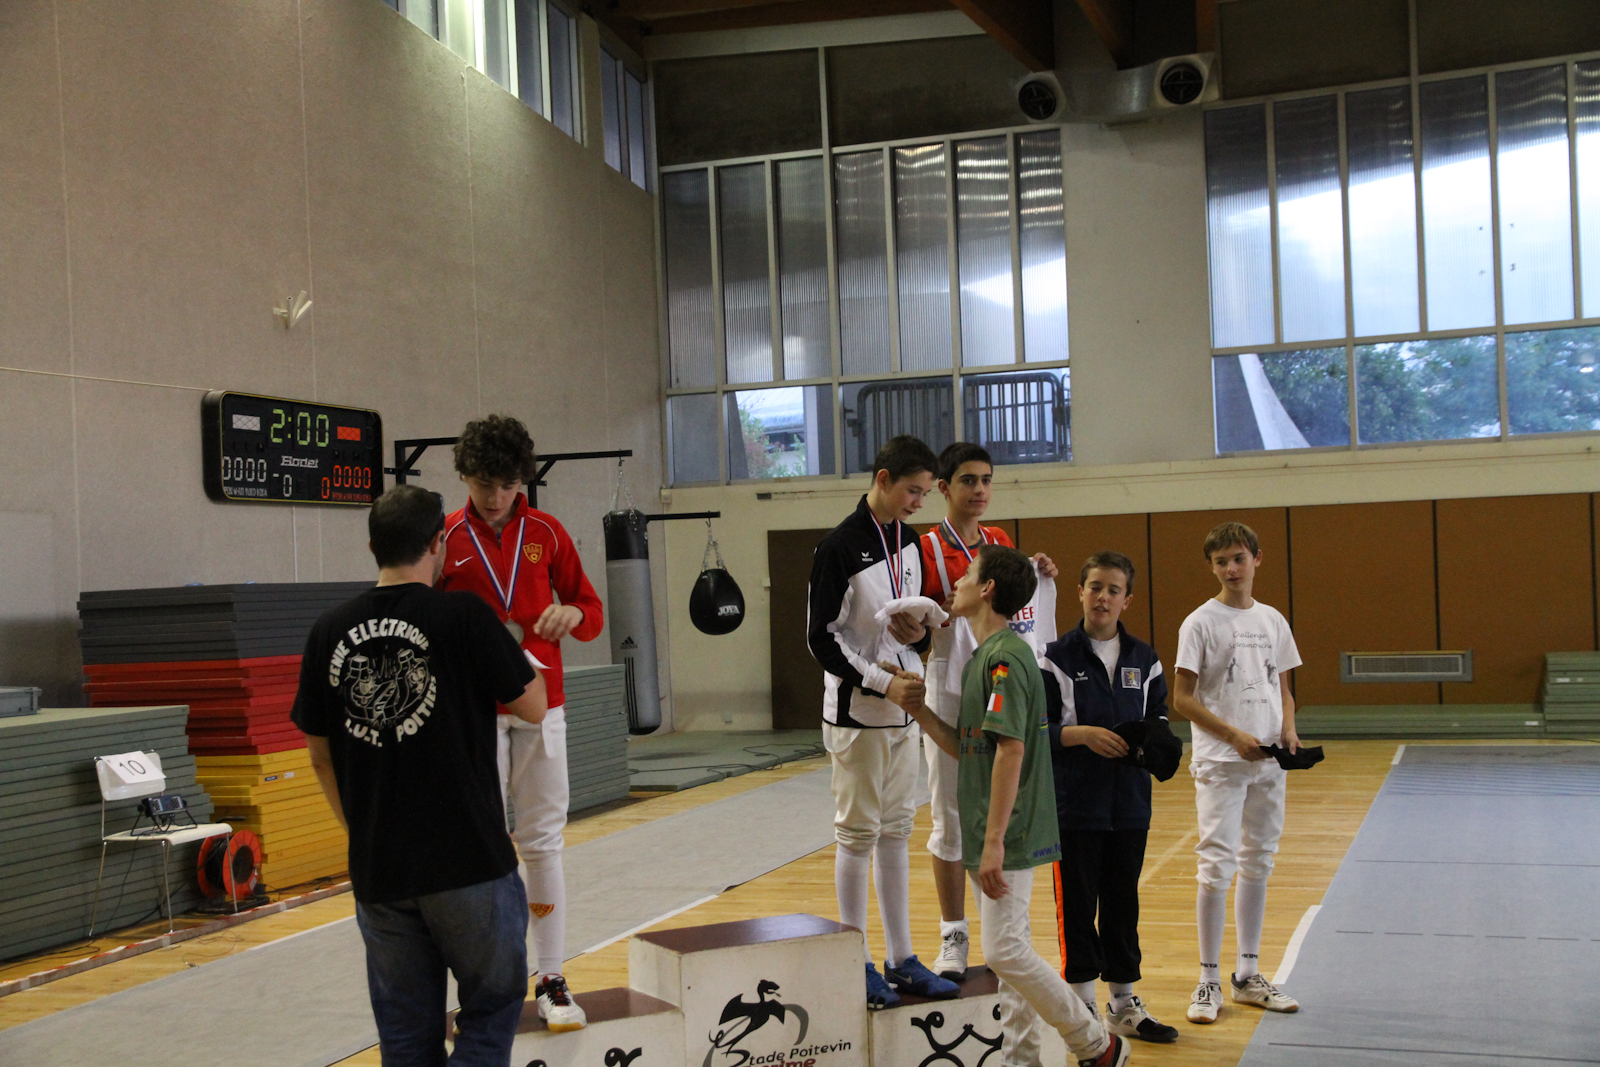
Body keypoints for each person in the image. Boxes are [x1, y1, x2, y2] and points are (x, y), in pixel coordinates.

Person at [293, 485, 549, 1066]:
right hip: (468, 859)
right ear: (439, 543)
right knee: (492, 1008)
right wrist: (524, 653)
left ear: (371, 547)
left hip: (381, 866)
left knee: (406, 1038)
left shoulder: (328, 630)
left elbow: (319, 755)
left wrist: (359, 829)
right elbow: (533, 706)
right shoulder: (464, 616)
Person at [889, 544, 1130, 1067]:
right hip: (986, 828)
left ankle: (1096, 1043)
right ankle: (1022, 1058)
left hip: (1010, 830)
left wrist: (996, 841)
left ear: (987, 588)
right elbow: (968, 748)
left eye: (967, 575)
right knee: (1010, 952)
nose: (956, 584)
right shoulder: (981, 657)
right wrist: (920, 711)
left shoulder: (1007, 659)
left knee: (1004, 950)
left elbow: (1011, 751)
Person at [437, 414, 604, 1033]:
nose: (496, 497)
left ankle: (552, 977)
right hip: (473, 712)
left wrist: (571, 615)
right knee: (475, 847)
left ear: (522, 482)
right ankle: (480, 984)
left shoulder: (548, 532)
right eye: (484, 484)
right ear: (464, 476)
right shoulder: (445, 536)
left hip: (542, 705)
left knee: (543, 843)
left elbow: (591, 610)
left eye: (508, 485)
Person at [806, 434, 959, 1009]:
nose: (919, 502)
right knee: (858, 834)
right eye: (912, 491)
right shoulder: (838, 547)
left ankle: (902, 959)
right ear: (884, 479)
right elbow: (821, 639)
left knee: (897, 831)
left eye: (924, 494)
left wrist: (917, 639)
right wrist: (880, 680)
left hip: (905, 710)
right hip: (858, 713)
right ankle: (857, 961)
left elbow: (907, 628)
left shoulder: (910, 541)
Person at [918, 442, 1059, 980]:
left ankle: (1002, 932)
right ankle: (953, 934)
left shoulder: (1000, 542)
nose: (980, 490)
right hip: (950, 681)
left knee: (996, 800)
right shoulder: (925, 549)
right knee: (948, 815)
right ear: (944, 488)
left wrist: (1039, 572)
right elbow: (911, 623)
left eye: (986, 480)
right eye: (968, 480)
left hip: (995, 675)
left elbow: (1015, 605)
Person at [1039, 552, 1179, 1044]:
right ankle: (1081, 1008)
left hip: (1130, 807)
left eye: (1113, 590)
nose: (1103, 597)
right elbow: (1037, 730)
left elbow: (1159, 718)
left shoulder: (1146, 658)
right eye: (1095, 587)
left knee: (1123, 904)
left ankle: (1123, 1003)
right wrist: (1081, 735)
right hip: (1074, 806)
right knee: (1078, 906)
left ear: (1127, 600)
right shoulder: (1054, 657)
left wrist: (1153, 746)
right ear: (1080, 592)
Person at [1171, 522, 1303, 1024]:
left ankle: (1247, 974)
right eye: (1222, 561)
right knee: (1216, 864)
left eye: (1239, 558)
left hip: (1269, 761)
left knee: (1259, 860)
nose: (1231, 568)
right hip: (1222, 762)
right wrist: (1233, 737)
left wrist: (1288, 729)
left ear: (1256, 559)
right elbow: (1182, 698)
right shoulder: (1199, 622)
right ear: (1212, 567)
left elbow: (1283, 689)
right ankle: (1208, 978)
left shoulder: (1272, 620)